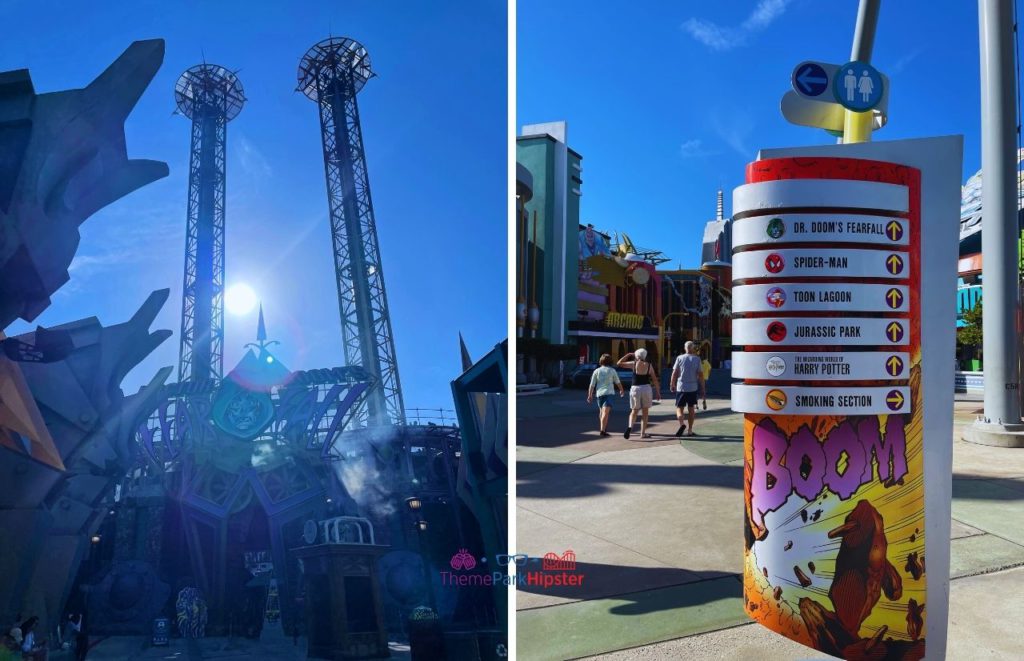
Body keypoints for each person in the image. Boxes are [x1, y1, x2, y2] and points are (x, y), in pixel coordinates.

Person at [617, 348, 660, 439]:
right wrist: (658, 392)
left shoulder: (634, 363)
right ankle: (643, 433)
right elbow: (655, 379)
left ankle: (629, 427)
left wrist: (628, 354)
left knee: (634, 410)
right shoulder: (649, 365)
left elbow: (619, 363)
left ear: (636, 355)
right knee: (645, 412)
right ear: (645, 356)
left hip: (635, 388)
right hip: (646, 388)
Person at [670, 341, 707, 437]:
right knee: (691, 409)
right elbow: (701, 375)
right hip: (692, 388)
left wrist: (672, 383)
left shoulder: (679, 358)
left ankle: (682, 424)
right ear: (693, 348)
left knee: (679, 408)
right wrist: (703, 388)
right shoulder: (697, 359)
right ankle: (690, 430)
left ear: (685, 348)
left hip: (681, 387)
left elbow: (674, 373)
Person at [586, 354, 624, 436]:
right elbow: (617, 382)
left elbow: (592, 384)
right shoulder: (612, 370)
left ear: (601, 361)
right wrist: (621, 390)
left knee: (602, 412)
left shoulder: (596, 371)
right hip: (609, 394)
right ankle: (602, 431)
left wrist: (589, 395)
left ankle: (602, 428)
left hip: (599, 394)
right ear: (610, 361)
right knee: (605, 413)